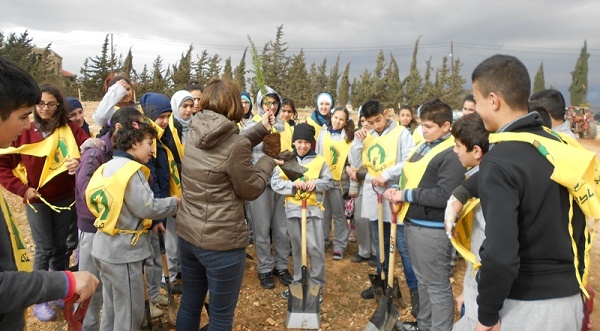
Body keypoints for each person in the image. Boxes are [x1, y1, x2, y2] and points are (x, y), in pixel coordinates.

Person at [470, 54, 586, 331]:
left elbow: (500, 255)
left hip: (526, 307)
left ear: (494, 100)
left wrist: (487, 315)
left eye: (476, 100)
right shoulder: (561, 146)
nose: (474, 108)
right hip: (570, 300)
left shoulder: (500, 162)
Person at [0, 55, 98, 330]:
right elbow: (4, 165)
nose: (43, 109)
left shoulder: (69, 130)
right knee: (43, 248)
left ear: (58, 106)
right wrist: (23, 189)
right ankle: (39, 297)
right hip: (37, 200)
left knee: (61, 248)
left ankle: (54, 289)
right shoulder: (21, 133)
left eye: (50, 104)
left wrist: (79, 162)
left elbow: (88, 148)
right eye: (38, 105)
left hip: (66, 200)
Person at [174, 78, 279, 330]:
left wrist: (261, 128)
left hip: (188, 235)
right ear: (234, 105)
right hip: (222, 244)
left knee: (190, 302)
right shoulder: (235, 145)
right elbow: (251, 188)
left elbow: (229, 144)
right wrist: (268, 161)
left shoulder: (195, 130)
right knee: (221, 318)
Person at [87, 120, 179, 331]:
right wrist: (175, 203)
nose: (152, 149)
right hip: (123, 252)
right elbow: (147, 207)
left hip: (103, 246)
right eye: (149, 142)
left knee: (112, 306)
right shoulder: (131, 170)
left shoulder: (107, 166)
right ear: (135, 143)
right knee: (129, 311)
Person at [387, 99, 466, 331]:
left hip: (432, 228)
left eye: (429, 127)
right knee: (423, 281)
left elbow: (444, 195)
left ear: (446, 126)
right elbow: (412, 175)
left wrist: (406, 194)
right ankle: (424, 325)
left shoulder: (451, 154)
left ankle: (439, 328)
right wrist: (398, 190)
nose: (423, 130)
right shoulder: (424, 144)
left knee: (437, 284)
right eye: (421, 125)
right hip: (413, 223)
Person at [75, 107, 145, 330]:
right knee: (90, 288)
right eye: (136, 126)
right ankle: (88, 326)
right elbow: (87, 193)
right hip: (94, 229)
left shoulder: (127, 155)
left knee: (110, 290)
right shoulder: (96, 152)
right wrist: (120, 211)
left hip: (112, 231)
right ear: (118, 127)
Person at [348, 99, 419, 316]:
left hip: (394, 194)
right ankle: (382, 283)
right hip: (373, 194)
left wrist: (386, 175)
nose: (376, 126)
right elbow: (354, 162)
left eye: (378, 120)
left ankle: (415, 292)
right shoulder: (366, 134)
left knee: (402, 246)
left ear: (386, 113)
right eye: (370, 122)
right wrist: (358, 142)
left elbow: (409, 160)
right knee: (379, 241)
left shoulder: (401, 133)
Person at [240, 86, 293, 290]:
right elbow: (244, 148)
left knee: (281, 228)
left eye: (275, 103)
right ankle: (264, 268)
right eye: (267, 103)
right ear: (260, 105)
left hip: (280, 182)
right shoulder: (251, 125)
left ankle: (281, 266)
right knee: (261, 229)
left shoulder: (283, 125)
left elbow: (288, 151)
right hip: (259, 183)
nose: (271, 107)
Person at [273, 123, 332, 304]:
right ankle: (298, 282)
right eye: (299, 142)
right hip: (293, 210)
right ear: (294, 142)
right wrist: (292, 185)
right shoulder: (287, 162)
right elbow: (275, 183)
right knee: (297, 248)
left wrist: (315, 184)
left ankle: (316, 285)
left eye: (306, 142)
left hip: (313, 210)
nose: (302, 146)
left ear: (311, 143)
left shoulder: (320, 161)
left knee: (315, 248)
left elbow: (328, 181)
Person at [444, 113, 490, 331]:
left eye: (458, 146)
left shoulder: (490, 192)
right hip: (476, 295)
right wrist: (467, 291)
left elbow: (488, 256)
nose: (454, 150)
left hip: (486, 307)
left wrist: (479, 306)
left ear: (476, 151)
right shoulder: (476, 178)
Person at [140, 93, 179, 315]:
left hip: (160, 202)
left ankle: (154, 294)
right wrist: (157, 214)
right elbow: (151, 178)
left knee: (156, 255)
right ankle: (147, 297)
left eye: (167, 116)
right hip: (150, 206)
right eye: (160, 116)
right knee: (149, 257)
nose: (164, 121)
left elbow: (167, 173)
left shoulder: (164, 137)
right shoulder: (147, 139)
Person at [316, 106, 354, 259]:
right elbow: (318, 155)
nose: (338, 121)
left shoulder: (348, 138)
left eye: (341, 119)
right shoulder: (323, 134)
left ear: (346, 122)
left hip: (339, 182)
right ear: (331, 117)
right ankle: (323, 241)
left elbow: (351, 159)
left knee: (339, 215)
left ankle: (339, 245)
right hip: (324, 181)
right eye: (336, 118)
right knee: (323, 214)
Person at [347, 111, 377, 267]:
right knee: (359, 218)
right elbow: (353, 160)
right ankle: (363, 250)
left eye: (368, 121)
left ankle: (375, 252)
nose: (366, 124)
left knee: (373, 218)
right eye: (363, 121)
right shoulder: (357, 137)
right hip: (359, 183)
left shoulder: (379, 137)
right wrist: (358, 142)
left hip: (373, 182)